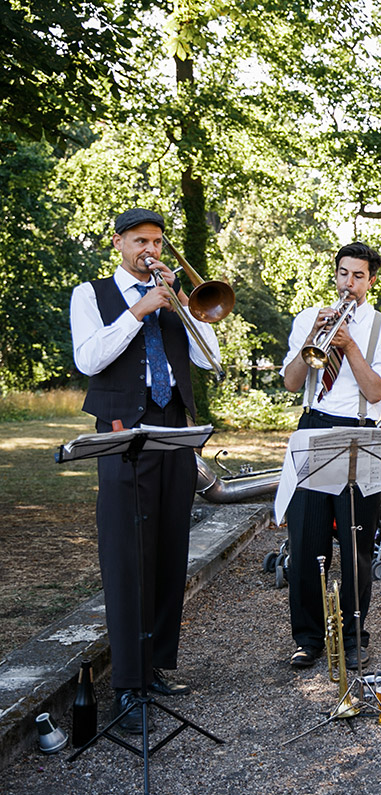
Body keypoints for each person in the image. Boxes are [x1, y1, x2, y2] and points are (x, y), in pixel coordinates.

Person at [70, 208, 221, 735]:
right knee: (126, 556)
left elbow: (210, 362)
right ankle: (127, 687)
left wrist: (185, 308)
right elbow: (89, 359)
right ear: (118, 243)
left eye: (156, 241)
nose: (150, 250)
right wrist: (139, 310)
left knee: (167, 550)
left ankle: (154, 666)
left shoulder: (174, 299)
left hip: (174, 430)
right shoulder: (92, 295)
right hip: (120, 435)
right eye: (140, 241)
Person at [281, 242, 381, 670]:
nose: (348, 284)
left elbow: (375, 391)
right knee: (305, 540)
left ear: (371, 280)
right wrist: (308, 343)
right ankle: (308, 638)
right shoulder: (307, 318)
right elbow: (289, 382)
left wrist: (350, 344)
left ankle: (354, 636)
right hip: (314, 426)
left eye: (357, 276)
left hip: (360, 432)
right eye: (342, 274)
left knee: (357, 542)